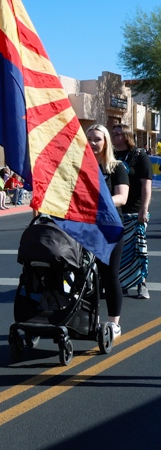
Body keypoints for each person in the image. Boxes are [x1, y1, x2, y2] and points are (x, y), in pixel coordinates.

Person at [87, 125, 128, 338]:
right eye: (90, 139)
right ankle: (87, 318)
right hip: (85, 229)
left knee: (109, 275)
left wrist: (100, 205)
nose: (93, 143)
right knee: (86, 276)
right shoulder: (81, 168)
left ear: (106, 143)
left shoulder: (116, 167)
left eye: (97, 139)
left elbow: (122, 197)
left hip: (110, 229)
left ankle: (114, 323)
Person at [110, 123, 151, 299]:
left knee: (137, 249)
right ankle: (121, 284)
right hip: (115, 211)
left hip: (135, 211)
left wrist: (144, 210)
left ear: (127, 136)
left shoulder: (139, 156)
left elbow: (146, 185)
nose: (115, 137)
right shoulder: (110, 155)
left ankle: (141, 285)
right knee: (117, 251)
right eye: (113, 134)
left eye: (118, 134)